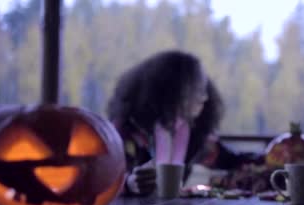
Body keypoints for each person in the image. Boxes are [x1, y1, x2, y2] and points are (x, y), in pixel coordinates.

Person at [107, 50, 263, 196]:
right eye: (197, 90)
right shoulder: (127, 130)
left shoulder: (195, 134)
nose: (204, 98)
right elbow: (103, 180)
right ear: (172, 89)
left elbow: (232, 160)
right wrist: (129, 184)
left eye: (204, 89)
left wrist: (273, 158)